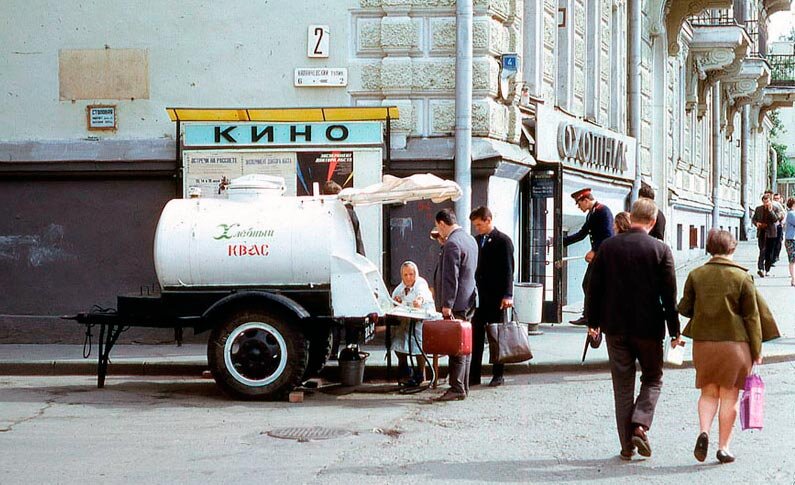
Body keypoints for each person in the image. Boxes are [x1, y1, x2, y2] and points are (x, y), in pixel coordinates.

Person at [586, 198, 681, 461]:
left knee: (622, 387)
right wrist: (675, 331)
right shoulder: (660, 250)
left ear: (631, 216)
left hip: (614, 328)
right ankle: (640, 424)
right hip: (649, 328)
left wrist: (592, 322)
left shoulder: (608, 246)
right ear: (652, 222)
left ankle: (627, 446)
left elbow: (594, 288)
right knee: (653, 378)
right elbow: (669, 296)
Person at [678, 229, 780, 464]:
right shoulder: (742, 277)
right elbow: (752, 318)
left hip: (704, 344)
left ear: (709, 249)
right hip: (735, 346)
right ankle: (723, 447)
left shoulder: (696, 274)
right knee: (729, 397)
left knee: (708, 392)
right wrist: (757, 351)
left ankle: (704, 431)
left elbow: (684, 309)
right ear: (732, 249)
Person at [432, 208, 478, 401]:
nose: (438, 231)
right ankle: (462, 385)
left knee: (456, 345)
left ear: (442, 223)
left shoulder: (452, 243)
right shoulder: (469, 239)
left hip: (457, 302)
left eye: (438, 227)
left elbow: (451, 277)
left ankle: (456, 387)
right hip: (469, 298)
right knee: (465, 344)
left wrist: (446, 304)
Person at [468, 206, 515, 387]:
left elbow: (508, 270)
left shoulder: (503, 241)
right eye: (475, 225)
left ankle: (498, 373)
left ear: (488, 220)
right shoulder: (476, 240)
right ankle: (474, 374)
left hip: (497, 298)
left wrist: (508, 294)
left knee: (497, 336)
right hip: (479, 297)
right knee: (476, 335)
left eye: (479, 224)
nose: (477, 228)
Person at [564, 188, 614, 325]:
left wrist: (595, 251)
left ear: (585, 200)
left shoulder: (603, 211)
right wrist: (561, 241)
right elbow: (582, 234)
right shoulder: (592, 214)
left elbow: (609, 236)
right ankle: (589, 316)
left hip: (603, 256)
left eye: (579, 203)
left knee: (591, 285)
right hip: (598, 255)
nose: (578, 207)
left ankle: (592, 316)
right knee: (588, 285)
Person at [391, 261, 436, 386]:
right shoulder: (400, 288)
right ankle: (405, 372)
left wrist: (419, 300)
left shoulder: (420, 283)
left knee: (418, 342)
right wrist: (396, 301)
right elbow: (393, 299)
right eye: (405, 275)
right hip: (407, 321)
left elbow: (423, 294)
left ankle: (420, 374)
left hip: (422, 320)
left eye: (411, 274)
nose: (409, 277)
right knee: (399, 342)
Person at [751, 194, 779, 278]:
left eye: (767, 202)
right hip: (762, 232)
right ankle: (760, 269)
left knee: (769, 252)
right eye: (764, 202)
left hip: (771, 233)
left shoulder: (775, 208)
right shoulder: (758, 209)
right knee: (762, 250)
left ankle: (767, 269)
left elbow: (775, 219)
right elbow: (754, 219)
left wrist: (770, 211)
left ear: (770, 201)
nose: (766, 203)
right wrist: (757, 223)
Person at [772, 192, 786, 265]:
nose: (776, 200)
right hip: (773, 226)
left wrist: (782, 222)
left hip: (779, 226)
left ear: (780, 199)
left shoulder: (782, 207)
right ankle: (773, 257)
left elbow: (784, 215)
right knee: (773, 241)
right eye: (775, 198)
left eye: (777, 198)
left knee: (779, 241)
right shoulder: (772, 205)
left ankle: (776, 255)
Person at [786, 197, 795, 286]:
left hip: (793, 239)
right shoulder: (791, 214)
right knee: (792, 260)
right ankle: (793, 279)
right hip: (791, 239)